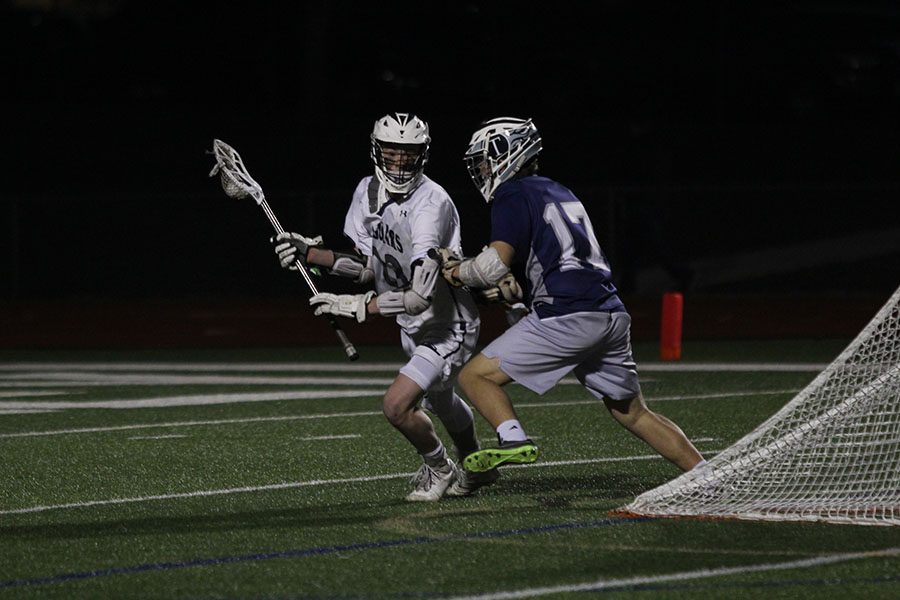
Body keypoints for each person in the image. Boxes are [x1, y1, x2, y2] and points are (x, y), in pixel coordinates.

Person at [439, 116, 706, 476]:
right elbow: (560, 260)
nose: (482, 169)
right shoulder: (558, 190)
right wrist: (519, 290)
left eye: (486, 159)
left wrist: (457, 271)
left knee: (475, 377)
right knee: (634, 412)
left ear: (509, 153)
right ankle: (707, 476)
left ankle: (513, 438)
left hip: (568, 314)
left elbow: (491, 265)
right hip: (610, 313)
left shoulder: (513, 193)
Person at [272, 112, 499, 501]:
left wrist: (356, 307)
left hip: (448, 323)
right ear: (377, 151)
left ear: (422, 156)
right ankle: (476, 464)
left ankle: (439, 466)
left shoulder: (432, 204)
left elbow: (416, 296)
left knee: (396, 406)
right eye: (391, 153)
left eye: (407, 155)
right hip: (415, 325)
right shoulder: (366, 192)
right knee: (441, 399)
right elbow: (367, 267)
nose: (398, 163)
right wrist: (310, 254)